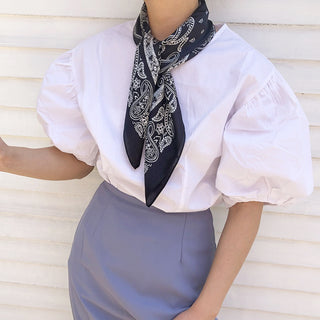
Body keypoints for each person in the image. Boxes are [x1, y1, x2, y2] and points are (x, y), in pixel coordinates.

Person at [0, 0, 314, 319]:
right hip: (95, 259)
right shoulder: (98, 54)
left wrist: (205, 310)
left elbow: (249, 202)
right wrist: (7, 158)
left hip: (176, 270)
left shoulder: (244, 73)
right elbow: (80, 161)